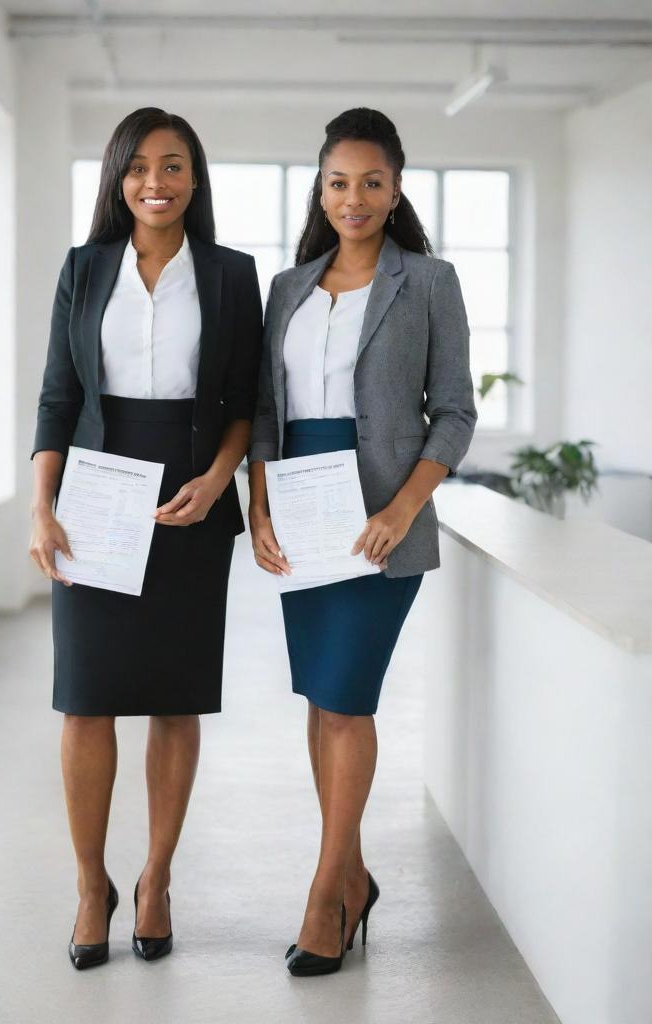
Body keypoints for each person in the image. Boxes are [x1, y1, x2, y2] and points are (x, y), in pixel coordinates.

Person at [29, 107, 262, 970]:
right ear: (117, 178)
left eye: (172, 166)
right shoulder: (85, 269)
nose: (154, 183)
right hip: (95, 497)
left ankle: (157, 878)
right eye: (137, 167)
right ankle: (93, 886)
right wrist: (40, 505)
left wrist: (218, 479)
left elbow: (245, 402)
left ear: (195, 179)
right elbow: (58, 392)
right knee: (85, 696)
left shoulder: (234, 276)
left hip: (193, 501)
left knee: (176, 697)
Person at [247, 107, 477, 977]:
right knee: (322, 699)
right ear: (321, 186)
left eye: (371, 182)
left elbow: (452, 412)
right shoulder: (288, 288)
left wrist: (405, 510)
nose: (354, 197)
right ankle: (353, 875)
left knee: (349, 700)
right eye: (338, 181)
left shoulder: (429, 282)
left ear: (395, 189)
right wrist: (258, 508)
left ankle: (325, 895)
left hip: (382, 516)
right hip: (301, 510)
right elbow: (266, 412)